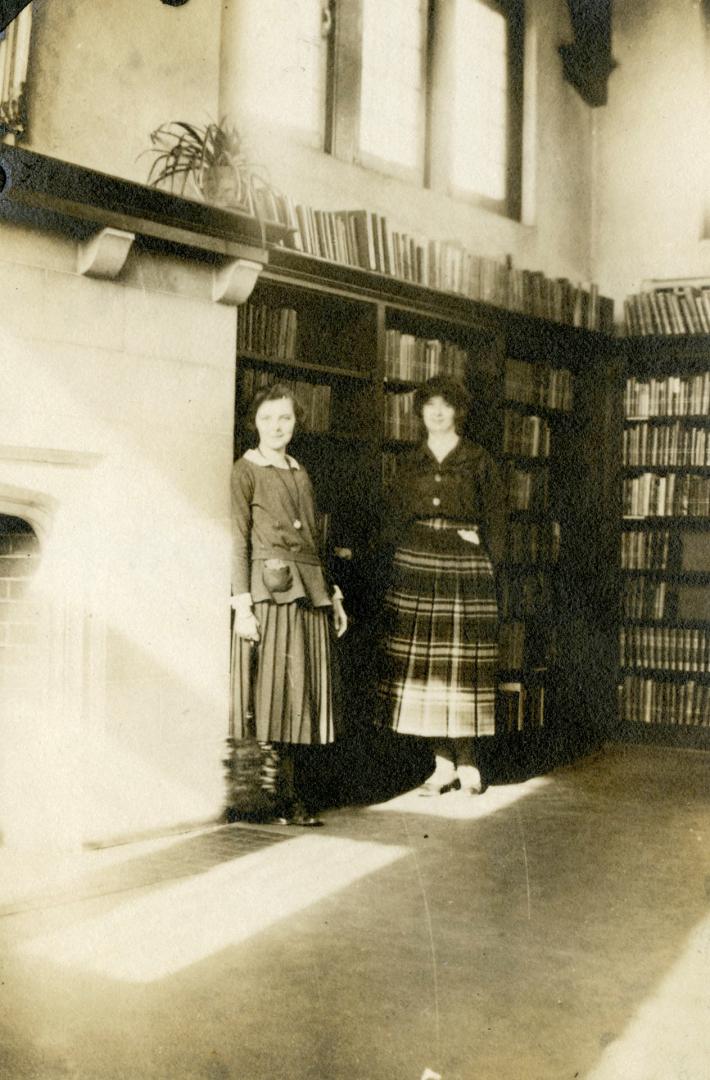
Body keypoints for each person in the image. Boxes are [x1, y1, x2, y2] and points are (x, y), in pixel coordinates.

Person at [378, 374, 505, 795]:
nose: (436, 412)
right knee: (427, 668)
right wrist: (399, 559)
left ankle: (468, 761)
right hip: (416, 567)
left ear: (457, 412)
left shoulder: (478, 459)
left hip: (465, 568)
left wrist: (485, 556)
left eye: (445, 406)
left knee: (461, 665)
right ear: (420, 414)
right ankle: (441, 763)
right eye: (429, 405)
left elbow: (497, 523)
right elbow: (393, 517)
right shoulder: (409, 462)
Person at [230, 382, 348, 826]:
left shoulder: (301, 471)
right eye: (267, 418)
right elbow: (237, 539)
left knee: (304, 695)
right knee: (275, 696)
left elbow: (316, 542)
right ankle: (278, 800)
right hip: (273, 594)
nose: (277, 426)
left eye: (285, 418)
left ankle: (295, 797)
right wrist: (243, 606)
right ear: (254, 423)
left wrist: (333, 595)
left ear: (296, 423)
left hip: (310, 592)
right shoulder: (246, 470)